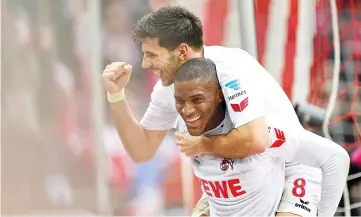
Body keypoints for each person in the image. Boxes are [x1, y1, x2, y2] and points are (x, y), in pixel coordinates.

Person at [101, 5, 349, 216]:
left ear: (183, 51)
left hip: (287, 168)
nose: (145, 64)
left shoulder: (230, 69)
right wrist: (116, 95)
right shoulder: (168, 88)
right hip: (234, 179)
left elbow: (256, 139)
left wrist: (202, 145)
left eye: (152, 55)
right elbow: (142, 150)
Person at [173, 58, 350, 216]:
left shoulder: (260, 132)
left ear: (219, 96)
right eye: (180, 101)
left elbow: (336, 158)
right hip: (238, 194)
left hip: (296, 176)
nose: (187, 110)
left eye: (197, 100)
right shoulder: (184, 127)